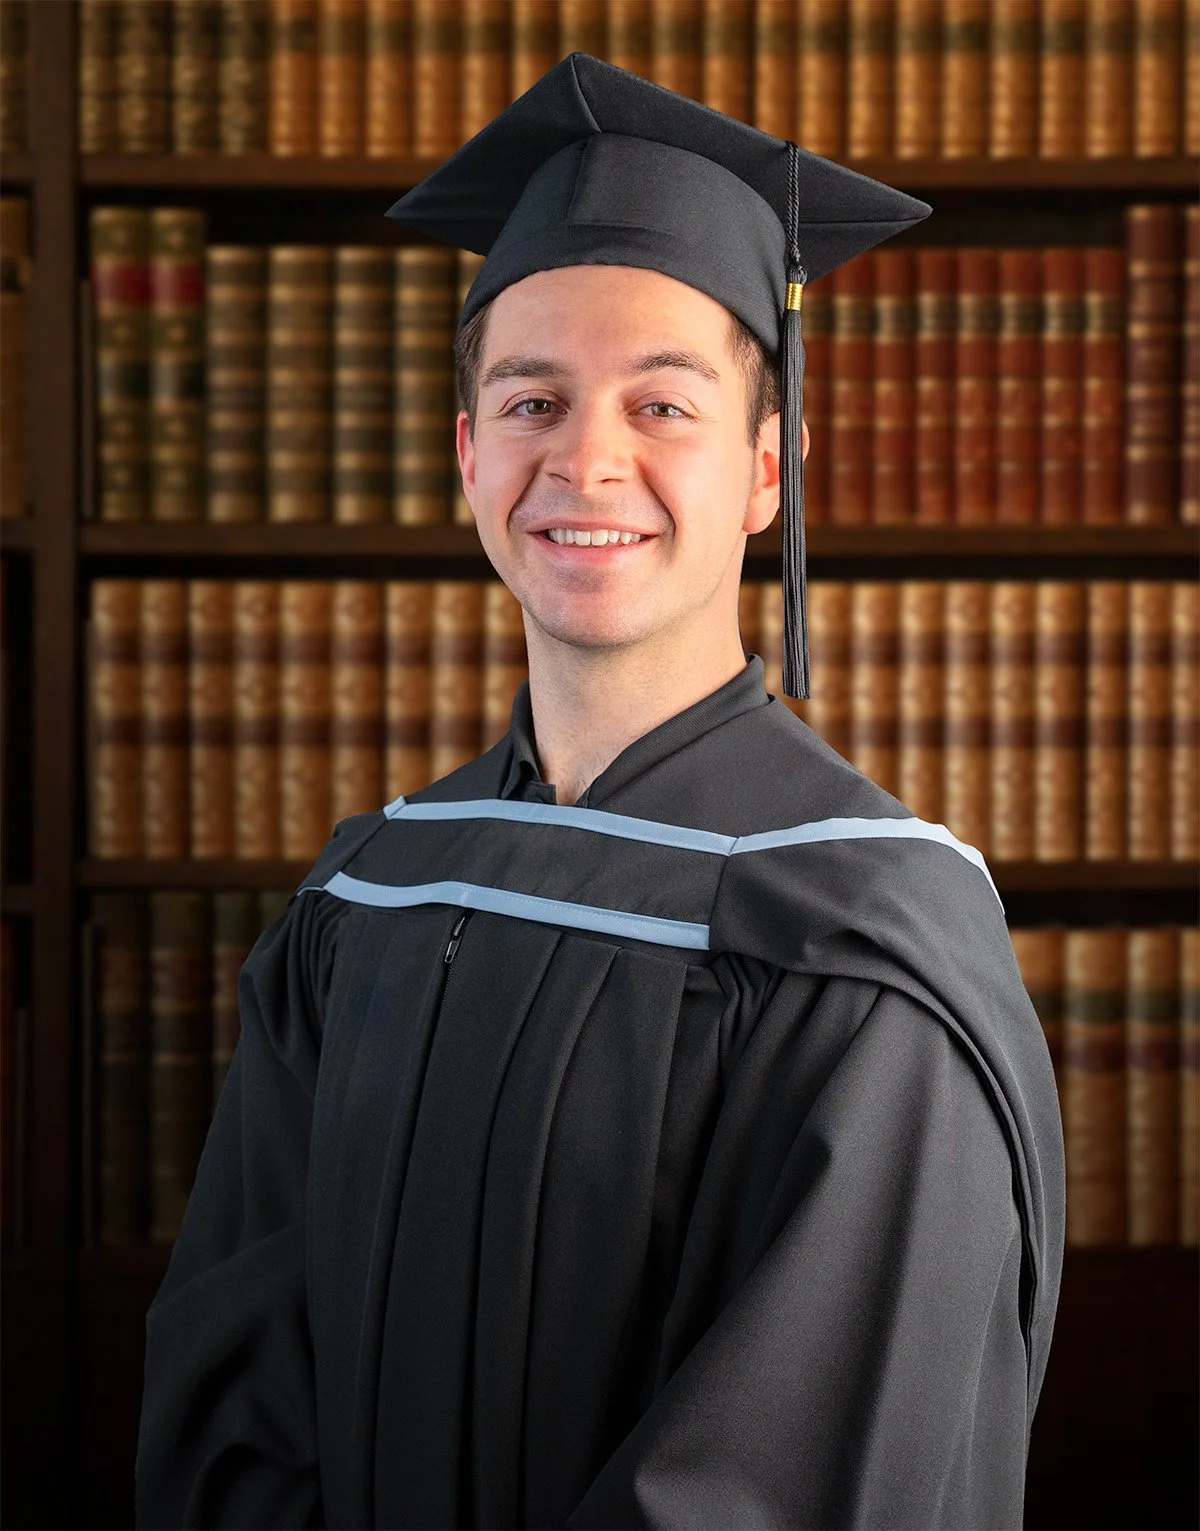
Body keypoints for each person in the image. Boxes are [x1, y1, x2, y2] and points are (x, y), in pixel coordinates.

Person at [135, 54, 1065, 1531]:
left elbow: (805, 1481)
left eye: (664, 406)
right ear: (466, 454)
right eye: (532, 398)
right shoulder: (367, 896)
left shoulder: (858, 943)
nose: (587, 458)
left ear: (769, 468)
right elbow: (230, 1398)